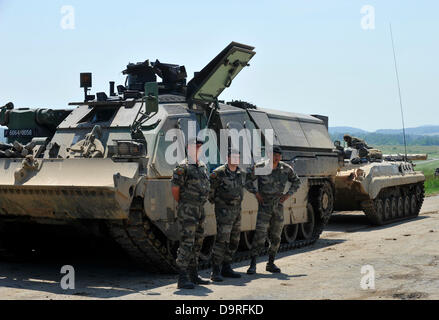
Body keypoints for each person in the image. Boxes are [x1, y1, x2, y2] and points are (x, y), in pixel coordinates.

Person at [245, 146, 301, 274]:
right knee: (259, 235)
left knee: (276, 236)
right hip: (264, 205)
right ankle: (253, 264)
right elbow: (247, 181)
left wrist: (287, 195)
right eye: (274, 154)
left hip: (278, 206)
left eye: (278, 155)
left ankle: (271, 263)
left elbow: (296, 182)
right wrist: (256, 193)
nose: (276, 157)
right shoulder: (260, 167)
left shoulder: (285, 169)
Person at [171, 138, 210, 289]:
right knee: (187, 242)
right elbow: (175, 190)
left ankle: (194, 275)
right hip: (188, 209)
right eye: (195, 147)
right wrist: (184, 204)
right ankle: (182, 277)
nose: (197, 149)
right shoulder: (182, 167)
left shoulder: (202, 166)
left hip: (200, 209)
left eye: (199, 147)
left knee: (198, 241)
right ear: (188, 148)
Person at [209, 148, 244, 282]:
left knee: (234, 240)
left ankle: (227, 267)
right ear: (228, 158)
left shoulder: (241, 173)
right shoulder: (219, 173)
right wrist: (219, 203)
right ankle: (215, 270)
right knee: (222, 240)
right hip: (224, 211)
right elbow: (210, 191)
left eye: (238, 156)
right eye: (233, 156)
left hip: (237, 211)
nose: (236, 159)